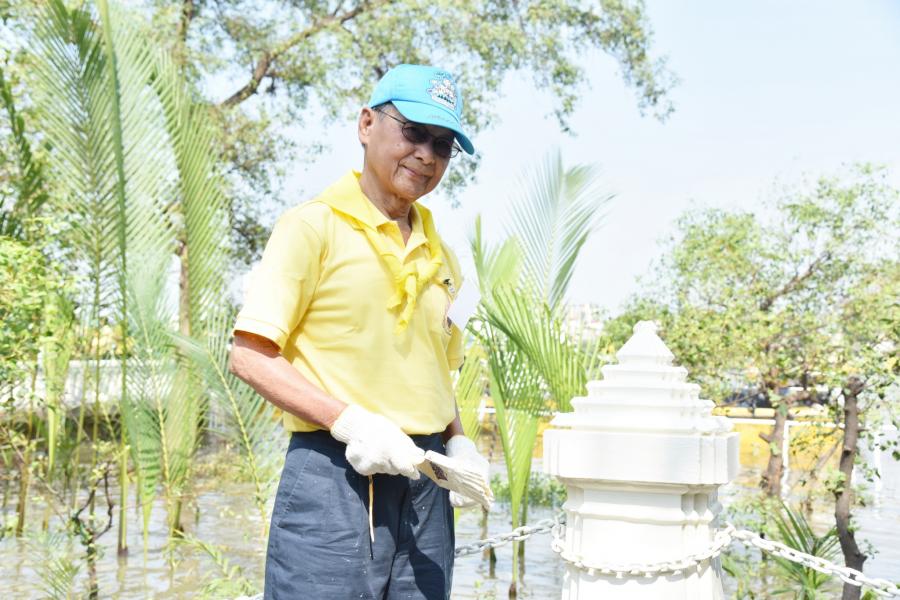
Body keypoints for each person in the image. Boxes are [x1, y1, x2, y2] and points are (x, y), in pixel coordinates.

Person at [228, 64, 491, 600]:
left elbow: (437, 370)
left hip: (426, 482)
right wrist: (348, 422)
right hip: (335, 472)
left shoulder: (444, 258)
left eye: (442, 145)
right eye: (414, 132)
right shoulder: (312, 227)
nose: (426, 155)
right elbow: (249, 355)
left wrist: (458, 440)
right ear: (367, 124)